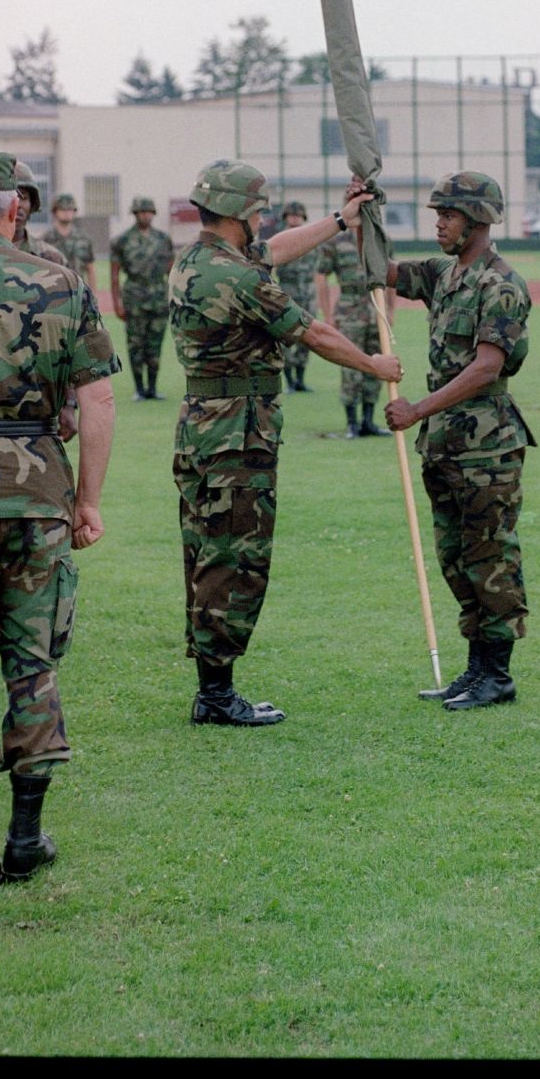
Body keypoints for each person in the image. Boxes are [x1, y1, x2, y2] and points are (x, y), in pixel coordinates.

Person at [0, 151, 119, 889]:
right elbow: (96, 402)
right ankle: (28, 838)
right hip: (40, 492)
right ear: (15, 210)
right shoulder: (62, 282)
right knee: (32, 659)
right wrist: (88, 501)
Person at [169, 160, 402, 727]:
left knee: (206, 553)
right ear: (234, 214)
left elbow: (275, 249)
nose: (262, 217)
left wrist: (339, 221)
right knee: (235, 557)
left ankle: (213, 687)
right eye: (256, 210)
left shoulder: (198, 261)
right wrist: (375, 364)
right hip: (237, 435)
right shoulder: (240, 280)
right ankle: (218, 696)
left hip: (205, 427)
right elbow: (315, 333)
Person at [381, 172, 536, 710]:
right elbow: (379, 270)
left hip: (487, 447)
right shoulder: (444, 274)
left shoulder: (501, 286)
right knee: (455, 557)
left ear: (477, 221)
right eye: (438, 214)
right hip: (445, 444)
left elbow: (486, 368)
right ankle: (475, 670)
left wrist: (417, 408)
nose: (439, 223)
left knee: (489, 555)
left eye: (448, 215)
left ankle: (497, 674)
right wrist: (361, 212)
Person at [13, 162, 78, 442]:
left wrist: (69, 403)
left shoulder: (51, 260)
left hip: (41, 400)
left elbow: (70, 337)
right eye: (11, 195)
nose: (18, 204)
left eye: (24, 196)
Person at [316, 227, 395, 437]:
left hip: (375, 309)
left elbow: (391, 275)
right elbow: (321, 276)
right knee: (350, 366)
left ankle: (368, 421)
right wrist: (328, 315)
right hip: (348, 310)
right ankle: (351, 422)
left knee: (376, 362)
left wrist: (391, 309)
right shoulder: (335, 242)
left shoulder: (381, 239)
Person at [110, 196, 175, 401]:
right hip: (134, 298)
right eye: (141, 212)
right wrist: (117, 304)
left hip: (158, 297)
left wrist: (173, 299)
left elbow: (172, 272)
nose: (145, 215)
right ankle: (139, 388)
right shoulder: (123, 240)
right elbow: (114, 275)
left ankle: (153, 388)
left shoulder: (163, 239)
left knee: (155, 345)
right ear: (135, 214)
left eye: (148, 212)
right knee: (135, 346)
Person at [274, 200, 319, 392]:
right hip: (288, 293)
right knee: (285, 339)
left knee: (307, 338)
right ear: (285, 218)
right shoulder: (279, 240)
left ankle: (300, 379)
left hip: (307, 294)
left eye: (298, 216)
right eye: (291, 216)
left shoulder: (311, 239)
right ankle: (289, 380)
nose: (295, 220)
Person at [42, 191, 97, 292]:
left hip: (78, 294)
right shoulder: (44, 240)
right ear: (55, 211)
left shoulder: (84, 240)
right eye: (63, 209)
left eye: (70, 209)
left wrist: (93, 297)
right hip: (53, 295)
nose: (67, 212)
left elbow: (90, 270)